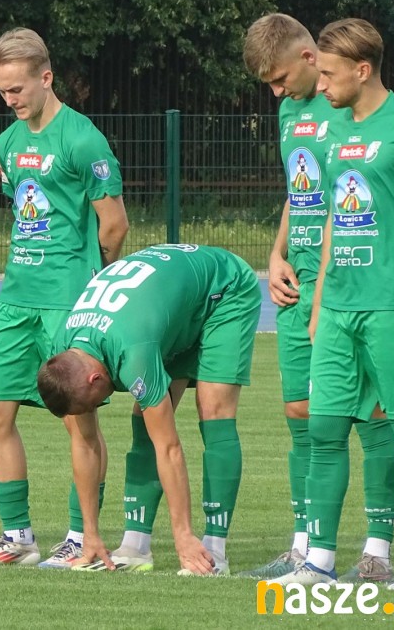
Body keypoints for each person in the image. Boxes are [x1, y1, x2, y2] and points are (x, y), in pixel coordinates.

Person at [271, 18, 394, 588]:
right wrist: (320, 303)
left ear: (362, 69)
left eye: (329, 75)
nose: (321, 85)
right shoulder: (331, 132)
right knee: (324, 430)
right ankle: (319, 563)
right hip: (338, 309)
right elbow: (331, 217)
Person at [240, 13, 394, 582]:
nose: (277, 92)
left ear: (311, 58)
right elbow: (300, 190)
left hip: (350, 283)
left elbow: (358, 199)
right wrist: (276, 253)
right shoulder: (288, 112)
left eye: (281, 79)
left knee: (372, 415)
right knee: (301, 414)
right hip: (297, 285)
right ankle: (305, 545)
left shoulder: (351, 108)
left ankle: (377, 551)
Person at [0, 28, 128, 567]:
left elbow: (114, 224)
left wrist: (95, 286)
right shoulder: (9, 143)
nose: (9, 100)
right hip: (17, 296)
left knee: (79, 419)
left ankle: (82, 537)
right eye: (1, 91)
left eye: (17, 89)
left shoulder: (82, 139)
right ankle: (18, 537)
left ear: (47, 78)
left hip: (69, 302)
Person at [38, 244, 257, 576]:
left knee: (213, 410)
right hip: (169, 309)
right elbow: (85, 444)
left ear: (95, 379)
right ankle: (136, 545)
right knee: (144, 420)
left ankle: (213, 550)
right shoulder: (64, 351)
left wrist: (182, 535)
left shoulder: (134, 350)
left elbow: (169, 448)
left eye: (93, 403)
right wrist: (89, 534)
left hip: (224, 290)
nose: (94, 409)